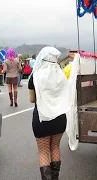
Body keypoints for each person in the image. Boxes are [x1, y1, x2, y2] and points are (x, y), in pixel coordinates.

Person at [28, 46, 70, 180]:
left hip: (42, 119)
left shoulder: (35, 76)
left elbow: (31, 99)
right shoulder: (61, 75)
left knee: (44, 152)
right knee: (55, 148)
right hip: (60, 119)